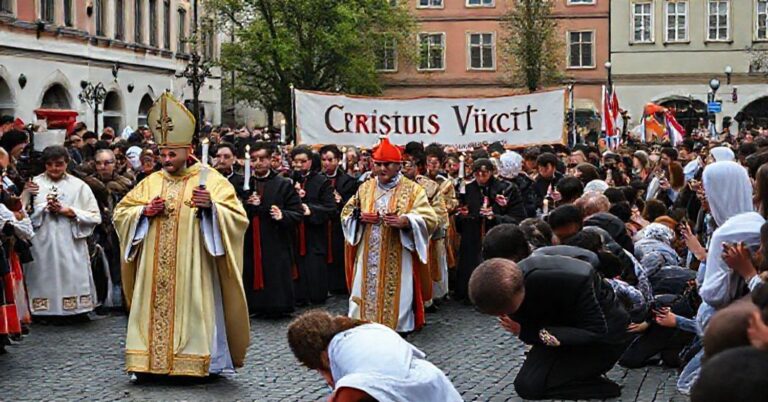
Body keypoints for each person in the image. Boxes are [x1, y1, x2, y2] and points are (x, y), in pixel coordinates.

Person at [113, 93, 250, 378]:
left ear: (188, 150)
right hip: (154, 271)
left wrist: (211, 208)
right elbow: (121, 213)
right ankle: (147, 363)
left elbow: (237, 218)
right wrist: (143, 212)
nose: (165, 160)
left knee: (193, 312)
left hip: (193, 267)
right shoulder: (151, 182)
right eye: (162, 154)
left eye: (171, 154)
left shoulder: (211, 179)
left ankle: (192, 362)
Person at [470, 224, 630, 400]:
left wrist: (527, 331)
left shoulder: (575, 279)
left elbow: (595, 330)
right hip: (564, 329)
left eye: (507, 311)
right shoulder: (516, 279)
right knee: (527, 386)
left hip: (605, 338)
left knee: (535, 386)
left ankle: (600, 388)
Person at [340, 137, 438, 332]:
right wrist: (360, 218)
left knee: (397, 300)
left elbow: (430, 219)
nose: (382, 169)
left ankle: (397, 331)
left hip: (398, 255)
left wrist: (407, 221)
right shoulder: (366, 187)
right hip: (367, 255)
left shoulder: (412, 190)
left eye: (387, 164)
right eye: (378, 164)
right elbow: (346, 213)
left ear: (398, 165)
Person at [287, 310, 462, 402]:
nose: (325, 378)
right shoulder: (364, 330)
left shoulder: (347, 365)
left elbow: (351, 391)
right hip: (434, 386)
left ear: (321, 356)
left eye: (319, 370)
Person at [22, 146, 101, 317]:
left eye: (59, 164)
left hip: (70, 240)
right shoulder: (34, 184)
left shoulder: (79, 186)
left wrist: (69, 211)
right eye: (49, 164)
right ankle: (42, 311)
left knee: (70, 274)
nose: (54, 168)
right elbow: (21, 213)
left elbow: (95, 216)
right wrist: (41, 208)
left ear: (67, 163)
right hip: (42, 241)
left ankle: (74, 310)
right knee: (43, 275)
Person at [242, 141, 304, 317]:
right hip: (249, 240)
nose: (258, 163)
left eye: (262, 158)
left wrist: (282, 214)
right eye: (254, 159)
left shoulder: (283, 184)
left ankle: (277, 305)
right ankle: (254, 305)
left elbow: (297, 212)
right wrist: (246, 205)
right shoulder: (244, 183)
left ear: (271, 160)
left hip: (275, 238)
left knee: (275, 271)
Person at [454, 158, 525, 301]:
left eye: (485, 173)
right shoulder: (467, 190)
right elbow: (459, 222)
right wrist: (463, 216)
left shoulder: (507, 189)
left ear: (492, 172)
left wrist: (495, 217)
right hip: (473, 238)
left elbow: (517, 217)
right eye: (477, 173)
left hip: (498, 236)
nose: (481, 177)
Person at [290, 145, 337, 306]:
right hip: (294, 232)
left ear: (310, 161)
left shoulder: (321, 181)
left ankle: (316, 295)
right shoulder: (288, 179)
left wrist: (310, 209)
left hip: (314, 232)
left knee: (314, 267)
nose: (299, 165)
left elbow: (331, 208)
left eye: (303, 161)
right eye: (295, 161)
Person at [319, 144, 359, 295]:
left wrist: (341, 201)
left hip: (339, 225)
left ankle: (339, 284)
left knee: (338, 253)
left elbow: (353, 205)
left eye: (330, 159)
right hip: (322, 223)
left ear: (337, 160)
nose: (326, 163)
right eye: (323, 160)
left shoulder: (348, 181)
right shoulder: (318, 179)